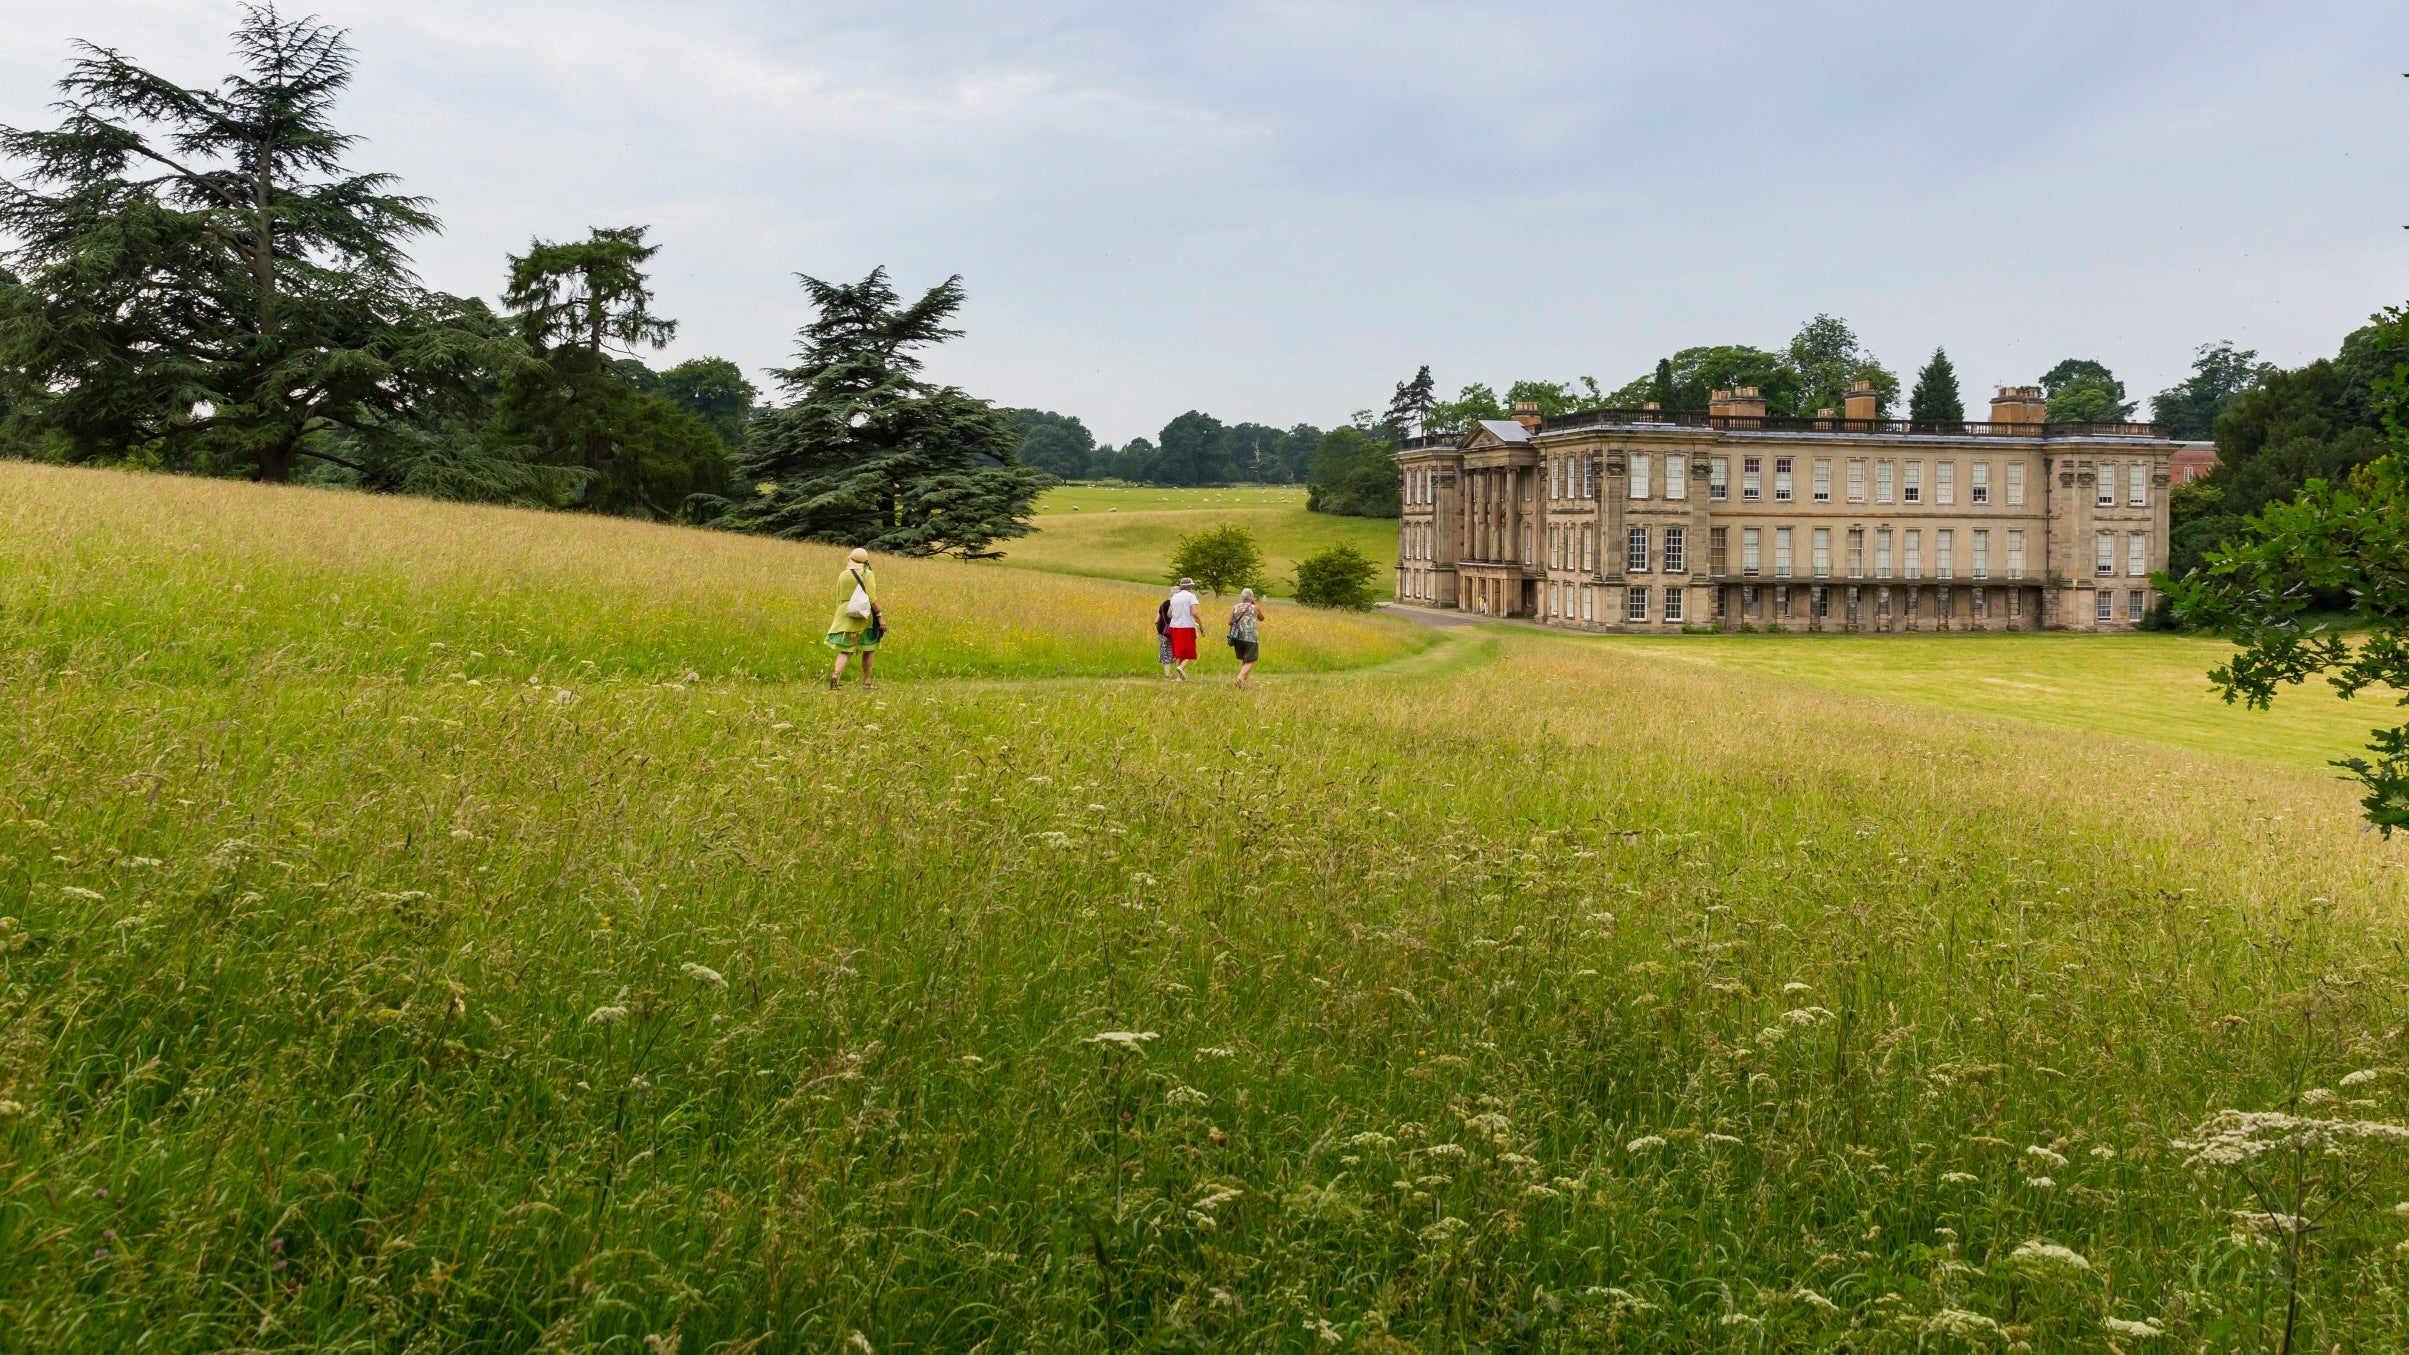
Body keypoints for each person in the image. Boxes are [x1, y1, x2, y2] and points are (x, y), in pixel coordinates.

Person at [826, 547, 883, 690]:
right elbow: (871, 597)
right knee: (869, 647)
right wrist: (880, 616)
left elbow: (839, 596)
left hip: (844, 612)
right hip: (862, 613)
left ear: (851, 558)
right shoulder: (867, 573)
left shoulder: (843, 574)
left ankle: (836, 675)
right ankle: (867, 682)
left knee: (845, 649)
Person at [1165, 576, 1202, 680]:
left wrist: (1178, 617)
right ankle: (1181, 667)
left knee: (1179, 652)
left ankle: (1179, 678)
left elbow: (1169, 613)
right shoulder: (1191, 596)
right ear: (1190, 586)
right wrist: (1201, 626)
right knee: (1190, 651)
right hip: (1187, 626)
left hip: (1174, 627)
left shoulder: (1175, 597)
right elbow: (1194, 612)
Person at [1227, 587, 1264, 687]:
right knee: (1251, 660)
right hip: (1251, 637)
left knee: (1244, 659)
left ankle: (1244, 683)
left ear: (1241, 597)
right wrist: (1254, 604)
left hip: (1237, 637)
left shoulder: (1235, 607)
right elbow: (1262, 618)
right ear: (1251, 597)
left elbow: (1230, 622)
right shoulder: (1255, 607)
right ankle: (1240, 678)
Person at [1155, 586, 1178, 679]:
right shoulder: (1175, 604)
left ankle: (1167, 674)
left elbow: (1156, 620)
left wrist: (1161, 630)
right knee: (1173, 651)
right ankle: (1171, 674)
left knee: (1165, 650)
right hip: (1174, 629)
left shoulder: (1163, 604)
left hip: (1162, 630)